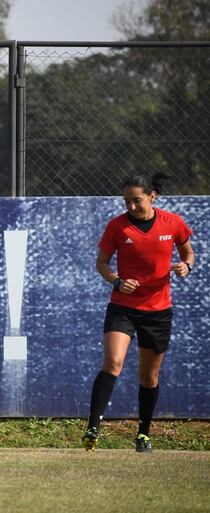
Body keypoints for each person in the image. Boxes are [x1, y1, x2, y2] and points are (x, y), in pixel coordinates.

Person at [82, 173, 194, 453]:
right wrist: (117, 281)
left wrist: (186, 266)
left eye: (136, 200)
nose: (130, 207)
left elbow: (188, 253)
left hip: (158, 311)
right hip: (123, 307)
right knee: (113, 362)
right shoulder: (117, 227)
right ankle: (93, 427)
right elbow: (102, 263)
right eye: (126, 201)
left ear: (152, 196)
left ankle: (143, 435)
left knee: (149, 377)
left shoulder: (173, 223)